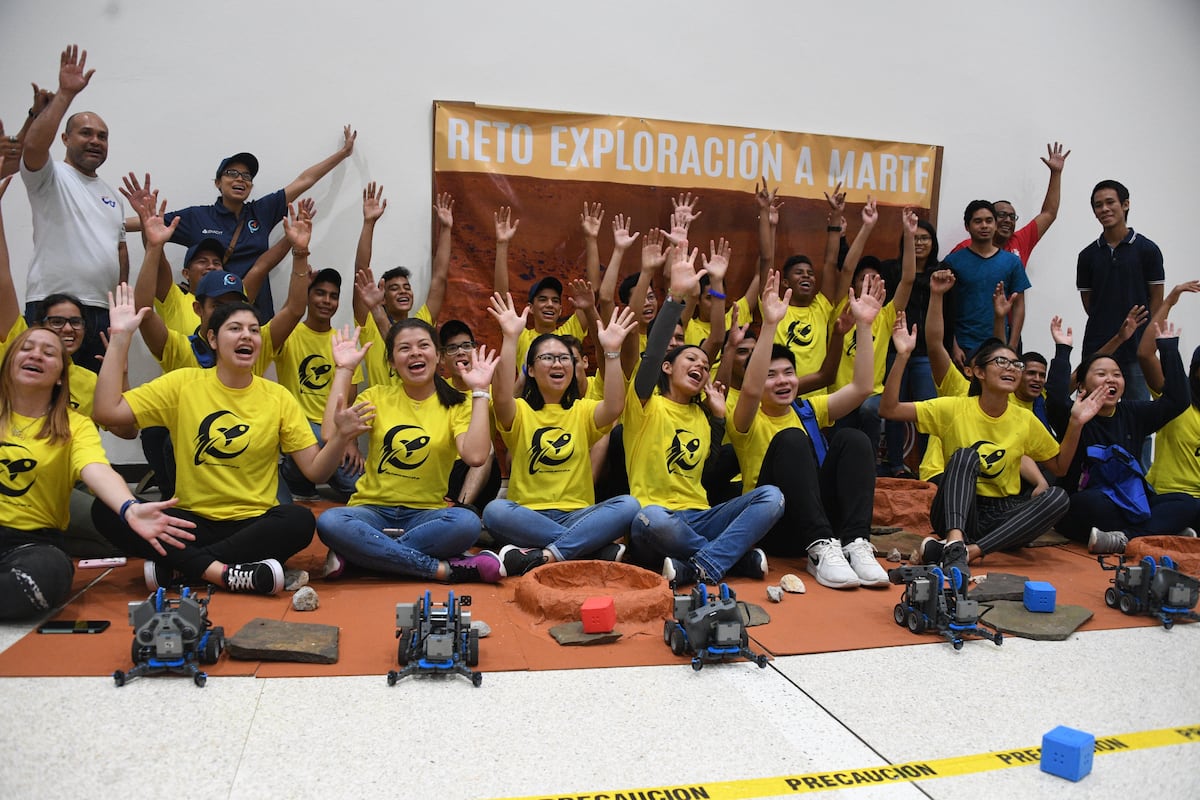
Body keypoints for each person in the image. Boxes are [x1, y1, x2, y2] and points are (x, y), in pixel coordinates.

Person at [91, 286, 371, 595]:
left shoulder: (278, 397)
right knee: (107, 509)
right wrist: (120, 338)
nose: (246, 336)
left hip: (253, 524)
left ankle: (183, 568)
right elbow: (107, 411)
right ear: (212, 339)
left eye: (254, 330)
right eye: (235, 328)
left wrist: (341, 436)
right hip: (190, 523)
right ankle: (226, 572)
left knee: (299, 520)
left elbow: (316, 471)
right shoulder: (183, 384)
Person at [0, 325, 193, 620]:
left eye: (48, 353)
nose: (36, 355)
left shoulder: (74, 425)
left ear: (61, 375)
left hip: (29, 544)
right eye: (26, 349)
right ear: (9, 361)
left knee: (44, 579)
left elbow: (97, 469)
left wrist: (129, 507)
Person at [882, 326, 1103, 579]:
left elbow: (1060, 467)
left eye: (1016, 364)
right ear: (979, 372)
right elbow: (889, 409)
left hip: (1001, 514)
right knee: (966, 456)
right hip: (958, 507)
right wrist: (902, 356)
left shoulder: (1024, 419)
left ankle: (968, 551)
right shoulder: (953, 408)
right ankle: (955, 540)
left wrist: (1076, 423)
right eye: (1001, 362)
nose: (1011, 368)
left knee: (1059, 498)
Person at [625, 245, 785, 586]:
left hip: (701, 517)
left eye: (704, 363)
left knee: (772, 497)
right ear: (667, 368)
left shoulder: (703, 415)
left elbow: (708, 470)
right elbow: (652, 354)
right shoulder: (645, 403)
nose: (700, 364)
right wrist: (674, 298)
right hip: (656, 517)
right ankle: (730, 558)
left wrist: (717, 419)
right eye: (690, 359)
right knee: (651, 519)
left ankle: (699, 565)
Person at [730, 270, 889, 589]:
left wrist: (864, 326)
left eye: (788, 372)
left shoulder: (807, 409)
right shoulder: (746, 418)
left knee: (854, 438)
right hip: (775, 526)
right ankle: (818, 549)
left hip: (823, 520)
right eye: (771, 375)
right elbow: (750, 389)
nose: (783, 380)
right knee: (791, 440)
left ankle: (855, 543)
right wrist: (770, 325)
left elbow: (861, 387)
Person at [314, 322, 503, 584]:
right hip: (371, 511)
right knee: (331, 522)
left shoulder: (457, 405)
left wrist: (480, 392)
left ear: (438, 356)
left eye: (423, 345)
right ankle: (436, 568)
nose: (415, 352)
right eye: (404, 348)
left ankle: (362, 555)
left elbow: (476, 457)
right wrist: (344, 370)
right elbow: (328, 433)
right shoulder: (377, 397)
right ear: (392, 362)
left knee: (466, 523)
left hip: (426, 515)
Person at [483, 293, 641, 576]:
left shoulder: (582, 410)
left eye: (564, 358)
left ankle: (546, 554)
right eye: (547, 358)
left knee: (629, 505)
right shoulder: (519, 411)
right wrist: (510, 337)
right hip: (528, 514)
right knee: (495, 512)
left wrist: (612, 351)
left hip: (580, 514)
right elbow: (502, 395)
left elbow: (615, 405)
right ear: (531, 370)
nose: (557, 364)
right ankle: (588, 548)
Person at [124, 128, 356, 318]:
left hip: (256, 313)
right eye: (232, 173)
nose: (240, 179)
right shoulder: (198, 217)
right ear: (217, 182)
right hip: (210, 315)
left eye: (247, 176)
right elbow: (150, 224)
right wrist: (110, 223)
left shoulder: (261, 211)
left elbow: (304, 180)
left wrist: (343, 153)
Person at [1045, 309, 1192, 553]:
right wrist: (1063, 350)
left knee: (1187, 503)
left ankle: (1126, 538)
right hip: (1087, 505)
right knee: (1094, 503)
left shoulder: (1133, 412)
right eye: (1101, 374)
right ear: (1082, 385)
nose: (1111, 379)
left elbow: (1177, 401)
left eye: (1117, 375)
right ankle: (1159, 532)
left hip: (1132, 502)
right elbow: (1055, 399)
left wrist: (1168, 350)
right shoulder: (1074, 414)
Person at [19, 45, 127, 373]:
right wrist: (65, 95)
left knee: (95, 393)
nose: (95, 141)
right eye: (86, 133)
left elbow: (118, 252)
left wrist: (120, 308)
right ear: (65, 139)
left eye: (103, 137)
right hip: (52, 306)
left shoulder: (112, 196)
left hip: (100, 312)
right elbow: (33, 146)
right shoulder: (49, 176)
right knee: (45, 389)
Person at [276, 268, 364, 501]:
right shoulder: (289, 334)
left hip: (333, 431)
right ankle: (293, 476)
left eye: (333, 296)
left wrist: (350, 441)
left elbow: (349, 402)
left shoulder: (344, 343)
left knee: (359, 488)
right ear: (307, 296)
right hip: (297, 426)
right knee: (317, 437)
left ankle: (301, 483)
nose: (327, 301)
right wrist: (298, 282)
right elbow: (283, 317)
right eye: (320, 293)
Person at [353, 185, 454, 386]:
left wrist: (446, 229)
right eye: (394, 288)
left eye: (407, 287)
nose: (403, 291)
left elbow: (439, 277)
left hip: (419, 404)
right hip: (383, 405)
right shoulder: (370, 324)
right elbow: (361, 271)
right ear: (382, 298)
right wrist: (369, 223)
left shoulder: (421, 324)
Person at [1076, 179, 1165, 408]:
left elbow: (1157, 298)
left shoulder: (1148, 250)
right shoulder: (1087, 256)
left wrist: (1147, 337)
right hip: (1098, 345)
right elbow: (1089, 303)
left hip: (1137, 348)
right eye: (1098, 205)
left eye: (1110, 202)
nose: (1104, 209)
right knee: (1092, 409)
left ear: (1125, 204)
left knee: (1138, 411)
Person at [881, 217, 949, 477]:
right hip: (894, 349)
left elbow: (951, 313)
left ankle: (927, 467)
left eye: (924, 238)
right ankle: (896, 465)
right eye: (914, 238)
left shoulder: (942, 272)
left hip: (926, 354)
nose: (920, 243)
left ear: (933, 242)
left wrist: (949, 347)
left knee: (927, 411)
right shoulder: (891, 270)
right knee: (893, 407)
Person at [950, 142, 1070, 267]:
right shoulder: (966, 248)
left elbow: (1049, 213)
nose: (1008, 220)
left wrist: (1056, 173)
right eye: (1002, 215)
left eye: (1012, 217)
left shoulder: (1020, 240)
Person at [943, 200, 1030, 361]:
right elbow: (945, 307)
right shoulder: (953, 261)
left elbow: (1019, 306)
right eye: (978, 221)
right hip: (963, 346)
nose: (984, 226)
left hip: (999, 344)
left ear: (995, 225)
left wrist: (1012, 346)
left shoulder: (1012, 262)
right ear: (967, 226)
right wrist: (953, 346)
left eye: (989, 221)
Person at [438, 320, 501, 512]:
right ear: (441, 359)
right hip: (443, 467)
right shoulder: (436, 390)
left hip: (479, 472)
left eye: (466, 346)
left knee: (486, 449)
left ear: (475, 351)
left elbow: (510, 400)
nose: (460, 352)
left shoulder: (489, 390)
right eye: (452, 348)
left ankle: (459, 510)